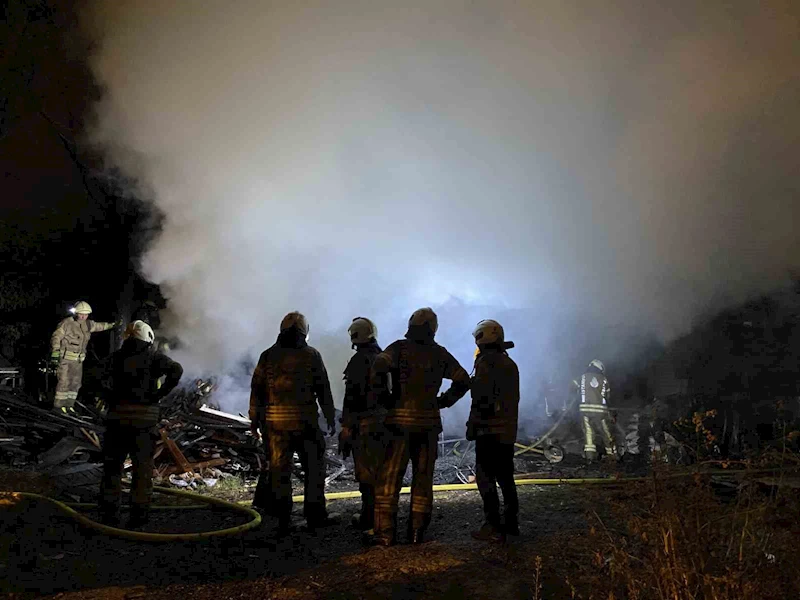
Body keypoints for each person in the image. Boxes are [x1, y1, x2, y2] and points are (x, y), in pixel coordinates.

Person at [371, 307, 470, 545]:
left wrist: (385, 398)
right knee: (423, 479)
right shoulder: (440, 354)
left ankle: (384, 534)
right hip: (427, 425)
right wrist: (443, 401)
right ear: (433, 329)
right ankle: (417, 533)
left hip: (399, 425)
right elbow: (463, 379)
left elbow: (378, 367)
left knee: (390, 479)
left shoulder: (397, 349)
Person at [249, 312, 337, 535]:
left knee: (280, 472)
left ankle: (283, 520)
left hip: (275, 426)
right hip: (305, 423)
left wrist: (254, 421)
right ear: (305, 331)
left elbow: (257, 392)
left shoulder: (267, 356)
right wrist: (329, 417)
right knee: (315, 470)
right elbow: (323, 389)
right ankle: (316, 517)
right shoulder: (311, 355)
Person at [99, 320, 183, 527]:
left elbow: (94, 377)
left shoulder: (116, 357)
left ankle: (109, 515)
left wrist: (108, 396)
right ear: (149, 338)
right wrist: (159, 394)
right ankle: (138, 517)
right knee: (142, 470)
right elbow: (177, 370)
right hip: (144, 423)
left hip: (117, 421)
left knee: (112, 469)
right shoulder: (154, 357)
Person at [467, 319, 520, 542]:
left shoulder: (486, 363)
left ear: (483, 337)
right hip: (507, 430)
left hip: (488, 431)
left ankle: (493, 525)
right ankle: (511, 523)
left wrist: (472, 424)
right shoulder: (510, 363)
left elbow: (480, 398)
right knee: (506, 477)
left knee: (485, 477)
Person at [339, 317, 384, 534]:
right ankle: (383, 517)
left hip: (366, 427)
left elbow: (352, 398)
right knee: (382, 473)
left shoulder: (359, 361)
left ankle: (370, 518)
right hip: (385, 426)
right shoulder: (384, 358)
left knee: (366, 474)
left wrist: (346, 428)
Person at [50, 301, 117, 413]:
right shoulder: (66, 323)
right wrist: (55, 351)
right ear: (76, 313)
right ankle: (58, 407)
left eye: (86, 314)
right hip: (66, 359)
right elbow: (56, 337)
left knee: (76, 383)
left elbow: (99, 326)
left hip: (78, 360)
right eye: (81, 314)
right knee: (64, 382)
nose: (83, 316)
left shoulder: (88, 324)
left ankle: (69, 406)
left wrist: (113, 325)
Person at [579, 359, 618, 462]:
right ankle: (613, 455)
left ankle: (590, 458)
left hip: (585, 411)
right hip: (600, 412)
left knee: (588, 434)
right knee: (606, 432)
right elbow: (607, 395)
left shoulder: (583, 377)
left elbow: (573, 388)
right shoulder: (604, 379)